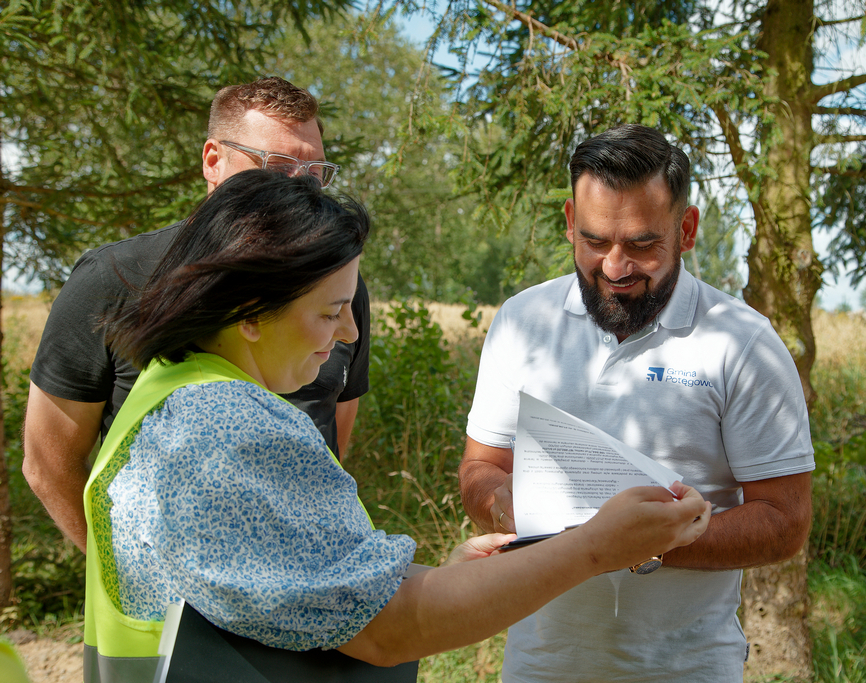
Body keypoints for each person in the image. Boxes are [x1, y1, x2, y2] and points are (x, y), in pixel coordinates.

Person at [84, 170, 713, 682]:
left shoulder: (168, 392)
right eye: (331, 310)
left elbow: (300, 587)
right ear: (250, 311)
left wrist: (451, 582)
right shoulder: (235, 430)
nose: (349, 332)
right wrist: (595, 548)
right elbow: (391, 629)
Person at [458, 124, 816, 682]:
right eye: (595, 241)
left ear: (687, 229)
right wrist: (504, 507)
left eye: (643, 245)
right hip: (539, 665)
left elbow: (786, 522)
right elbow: (481, 468)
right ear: (570, 223)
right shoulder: (521, 323)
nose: (615, 268)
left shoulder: (743, 343)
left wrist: (645, 543)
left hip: (686, 669)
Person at [23, 76, 370, 554]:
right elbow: (48, 463)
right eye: (277, 166)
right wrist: (127, 573)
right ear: (213, 160)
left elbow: (334, 428)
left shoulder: (338, 287)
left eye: (314, 172)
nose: (300, 187)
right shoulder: (112, 278)